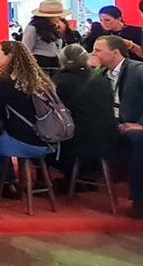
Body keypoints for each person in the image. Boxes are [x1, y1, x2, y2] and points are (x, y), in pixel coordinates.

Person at [0, 41, 53, 198]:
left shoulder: (4, 82)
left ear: (9, 57)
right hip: (47, 141)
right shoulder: (40, 81)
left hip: (22, 142)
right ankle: (7, 182)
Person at [91, 35, 143, 219]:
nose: (93, 54)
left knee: (137, 140)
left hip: (139, 125)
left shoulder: (139, 70)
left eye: (98, 51)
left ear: (115, 53)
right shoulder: (101, 74)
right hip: (113, 124)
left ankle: (140, 200)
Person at [49, 44, 118, 179]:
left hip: (78, 142)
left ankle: (59, 179)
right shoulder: (101, 78)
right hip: (108, 137)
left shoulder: (58, 81)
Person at [22, 0, 66, 70]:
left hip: (55, 65)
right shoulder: (32, 29)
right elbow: (25, 50)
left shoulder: (53, 29)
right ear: (48, 17)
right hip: (40, 66)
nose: (59, 19)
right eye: (57, 16)